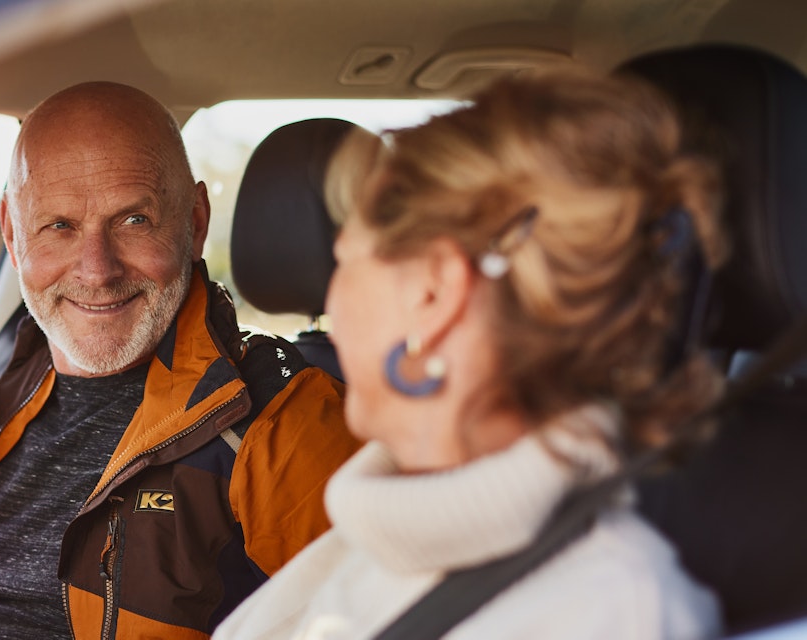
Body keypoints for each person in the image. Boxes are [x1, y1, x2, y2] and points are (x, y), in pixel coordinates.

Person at [0, 81, 361, 638]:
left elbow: (388, 616)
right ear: (13, 235)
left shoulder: (285, 421)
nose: (97, 270)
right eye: (59, 225)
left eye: (133, 219)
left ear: (194, 222)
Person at [215, 71, 725, 639]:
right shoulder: (380, 529)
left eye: (346, 260)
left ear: (432, 296)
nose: (331, 294)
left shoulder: (606, 613)